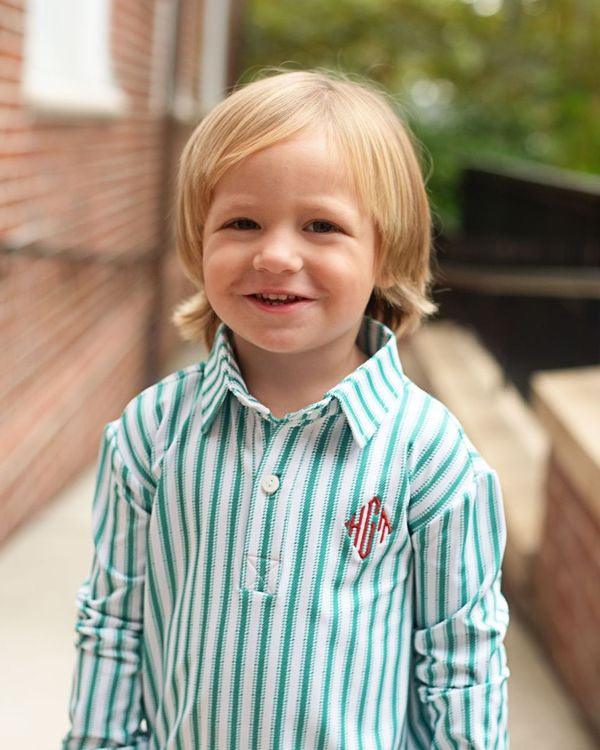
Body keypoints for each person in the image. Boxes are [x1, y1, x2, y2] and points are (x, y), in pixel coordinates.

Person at [63, 70, 509, 749]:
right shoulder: (150, 434)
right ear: (198, 241)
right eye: (242, 222)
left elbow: (462, 665)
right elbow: (114, 624)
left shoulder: (430, 456)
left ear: (384, 253)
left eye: (321, 226)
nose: (275, 254)